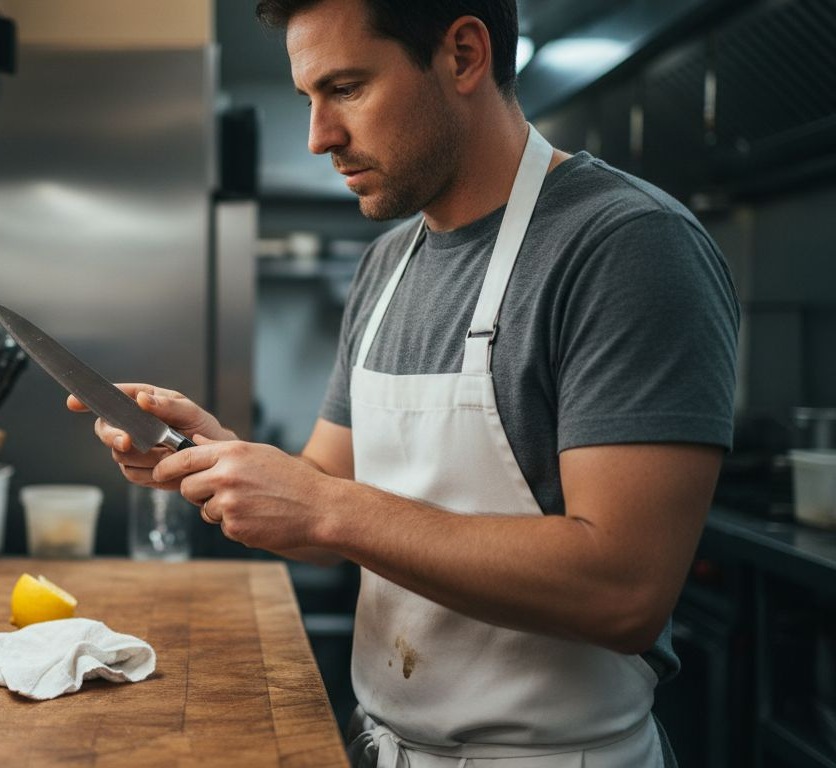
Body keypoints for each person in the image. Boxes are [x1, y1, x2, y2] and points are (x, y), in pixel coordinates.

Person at [68, 0, 738, 765]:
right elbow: (325, 494)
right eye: (309, 99)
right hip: (385, 745)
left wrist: (324, 507)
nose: (319, 137)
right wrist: (212, 454)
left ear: (462, 55)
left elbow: (623, 591)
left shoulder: (627, 247)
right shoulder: (388, 265)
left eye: (347, 88)